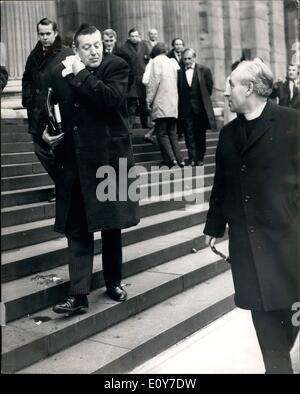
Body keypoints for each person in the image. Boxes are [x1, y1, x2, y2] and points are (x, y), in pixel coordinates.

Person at [204, 58, 299, 374]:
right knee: (264, 317)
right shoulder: (228, 134)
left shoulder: (291, 123)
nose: (226, 91)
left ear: (249, 88)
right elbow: (222, 183)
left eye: (230, 84)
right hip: (249, 246)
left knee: (287, 315)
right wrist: (214, 225)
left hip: (288, 244)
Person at [42, 24, 139, 314]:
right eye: (87, 47)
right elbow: (46, 102)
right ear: (76, 49)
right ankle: (78, 294)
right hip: (78, 161)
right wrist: (44, 133)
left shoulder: (117, 66)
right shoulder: (64, 71)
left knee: (111, 227)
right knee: (78, 229)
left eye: (98, 45)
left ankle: (114, 282)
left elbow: (109, 99)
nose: (95, 51)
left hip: (111, 160)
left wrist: (79, 74)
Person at [22, 18, 73, 202]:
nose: (44, 37)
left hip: (57, 112)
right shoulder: (34, 55)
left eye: (48, 34)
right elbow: (26, 78)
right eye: (41, 34)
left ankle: (64, 187)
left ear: (55, 33)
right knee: (40, 149)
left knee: (59, 152)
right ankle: (63, 185)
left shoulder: (66, 54)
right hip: (37, 112)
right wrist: (27, 99)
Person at [146, 43, 184, 168]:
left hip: (161, 100)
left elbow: (153, 83)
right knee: (172, 132)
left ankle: (170, 160)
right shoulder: (172, 62)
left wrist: (148, 100)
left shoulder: (156, 62)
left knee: (161, 132)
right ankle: (180, 160)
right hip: (173, 102)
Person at [178, 48, 217, 166]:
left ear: (194, 58)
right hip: (185, 109)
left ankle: (199, 158)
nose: (187, 61)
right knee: (188, 134)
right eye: (185, 59)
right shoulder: (179, 72)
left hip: (200, 109)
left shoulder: (204, 70)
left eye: (189, 58)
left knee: (200, 134)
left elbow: (209, 88)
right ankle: (192, 157)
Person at [121, 28, 150, 128]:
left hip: (141, 79)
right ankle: (130, 125)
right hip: (131, 80)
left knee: (143, 102)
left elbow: (147, 60)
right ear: (129, 37)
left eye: (136, 36)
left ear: (140, 37)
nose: (134, 38)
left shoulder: (144, 46)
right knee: (132, 103)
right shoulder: (123, 48)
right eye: (132, 36)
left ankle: (145, 124)